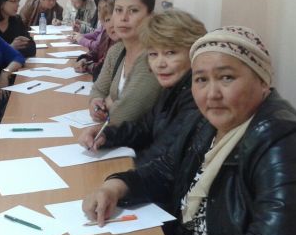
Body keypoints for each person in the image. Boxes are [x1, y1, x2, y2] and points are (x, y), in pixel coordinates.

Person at [83, 26, 296, 235]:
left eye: (226, 78)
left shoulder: (284, 142)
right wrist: (114, 187)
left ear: (262, 80)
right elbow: (166, 169)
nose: (212, 94)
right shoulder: (207, 122)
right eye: (201, 79)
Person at [79, 9, 207, 165]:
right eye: (153, 54)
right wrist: (107, 135)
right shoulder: (174, 88)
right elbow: (144, 128)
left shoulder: (197, 98)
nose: (160, 64)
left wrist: (124, 177)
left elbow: (164, 159)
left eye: (170, 53)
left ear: (194, 52)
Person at [89, 0, 163, 126]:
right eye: (118, 10)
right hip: (109, 133)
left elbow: (124, 114)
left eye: (133, 11)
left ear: (150, 16)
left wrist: (109, 102)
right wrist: (96, 102)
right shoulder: (116, 51)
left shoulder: (153, 56)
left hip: (135, 139)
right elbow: (97, 89)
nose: (123, 18)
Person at [74, 0, 118, 81]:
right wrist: (84, 59)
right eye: (107, 20)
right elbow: (96, 51)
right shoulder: (106, 33)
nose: (111, 25)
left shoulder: (120, 41)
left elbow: (104, 68)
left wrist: (88, 66)